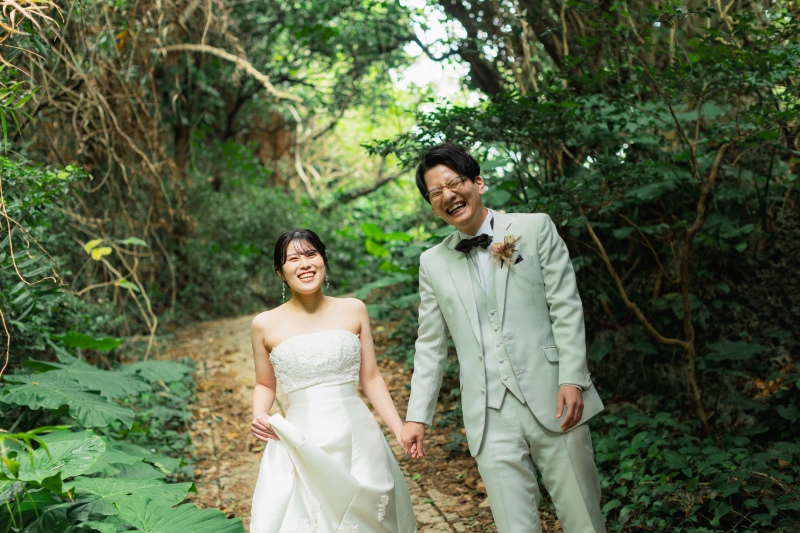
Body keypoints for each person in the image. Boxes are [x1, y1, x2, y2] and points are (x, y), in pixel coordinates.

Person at [400, 143, 606, 533]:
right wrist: (417, 416)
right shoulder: (432, 262)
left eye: (454, 182)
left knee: (584, 520)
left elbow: (566, 305)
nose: (448, 195)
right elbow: (430, 344)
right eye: (435, 192)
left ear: (478, 182)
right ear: (431, 206)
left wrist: (572, 378)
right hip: (488, 415)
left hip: (555, 398)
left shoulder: (534, 228)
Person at [249, 228, 416, 533]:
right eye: (293, 258)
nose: (305, 264)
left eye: (312, 254)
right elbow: (265, 384)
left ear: (324, 260)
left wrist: (399, 428)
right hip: (301, 436)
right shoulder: (264, 324)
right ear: (280, 272)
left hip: (357, 433)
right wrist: (259, 413)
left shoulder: (353, 309)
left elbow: (372, 377)